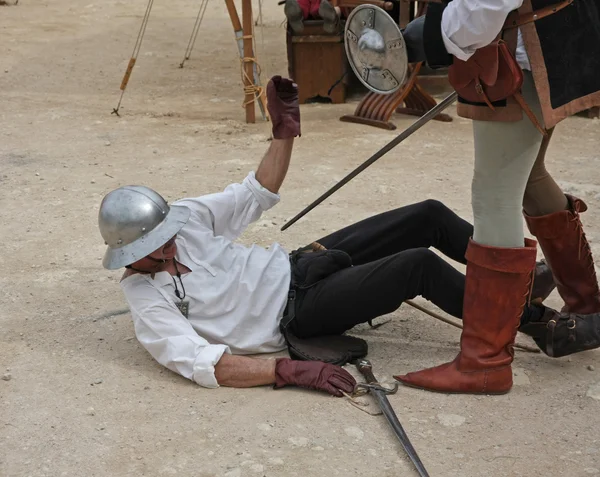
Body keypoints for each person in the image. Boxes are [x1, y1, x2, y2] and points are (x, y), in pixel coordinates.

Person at [97, 76, 598, 396]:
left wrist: (283, 132)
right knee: (415, 265)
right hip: (296, 315)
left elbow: (256, 191)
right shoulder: (148, 302)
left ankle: (515, 283)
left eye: (166, 233)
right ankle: (540, 325)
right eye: (154, 245)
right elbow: (205, 363)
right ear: (130, 255)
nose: (169, 243)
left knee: (426, 214)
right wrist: (286, 372)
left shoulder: (182, 218)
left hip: (298, 265)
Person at [392, 1, 600, 393]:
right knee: (528, 177)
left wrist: (439, 33)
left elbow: (489, 3)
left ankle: (483, 361)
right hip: (553, 37)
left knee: (494, 196)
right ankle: (586, 304)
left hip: (520, 52)